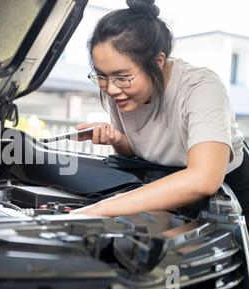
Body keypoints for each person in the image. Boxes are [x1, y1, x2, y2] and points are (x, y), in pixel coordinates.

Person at [71, 0, 249, 217]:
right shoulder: (122, 90)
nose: (111, 88)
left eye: (122, 77)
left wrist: (100, 209)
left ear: (158, 61)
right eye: (102, 76)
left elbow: (204, 179)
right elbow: (144, 149)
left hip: (229, 191)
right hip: (163, 181)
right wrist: (117, 140)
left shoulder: (201, 88)